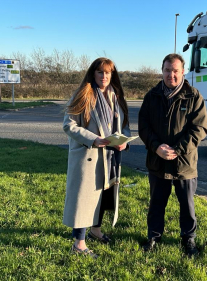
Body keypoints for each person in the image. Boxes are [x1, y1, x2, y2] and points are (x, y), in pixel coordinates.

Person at [138, 54, 207, 256]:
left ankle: (189, 239)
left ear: (182, 72)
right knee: (156, 203)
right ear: (162, 71)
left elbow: (200, 129)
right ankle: (153, 237)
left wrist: (177, 149)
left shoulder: (194, 96)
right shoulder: (151, 96)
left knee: (187, 205)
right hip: (157, 160)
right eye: (167, 70)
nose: (171, 75)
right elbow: (144, 127)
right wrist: (156, 147)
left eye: (175, 70)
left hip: (184, 163)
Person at [63, 57, 130, 258]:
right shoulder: (83, 94)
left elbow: (123, 124)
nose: (104, 76)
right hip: (88, 155)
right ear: (93, 73)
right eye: (100, 72)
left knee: (103, 195)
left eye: (108, 72)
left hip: (110, 156)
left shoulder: (115, 96)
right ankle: (79, 244)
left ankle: (96, 230)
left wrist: (124, 140)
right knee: (84, 199)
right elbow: (69, 125)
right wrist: (93, 139)